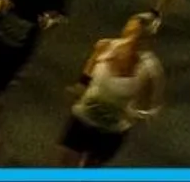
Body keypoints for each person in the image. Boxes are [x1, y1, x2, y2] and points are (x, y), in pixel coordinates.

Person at [60, 12, 165, 165]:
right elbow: (87, 73)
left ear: (148, 41)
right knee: (66, 164)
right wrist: (78, 89)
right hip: (83, 117)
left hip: (111, 131)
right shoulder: (105, 46)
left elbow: (152, 107)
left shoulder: (150, 71)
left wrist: (136, 114)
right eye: (130, 31)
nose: (133, 38)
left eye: (139, 36)